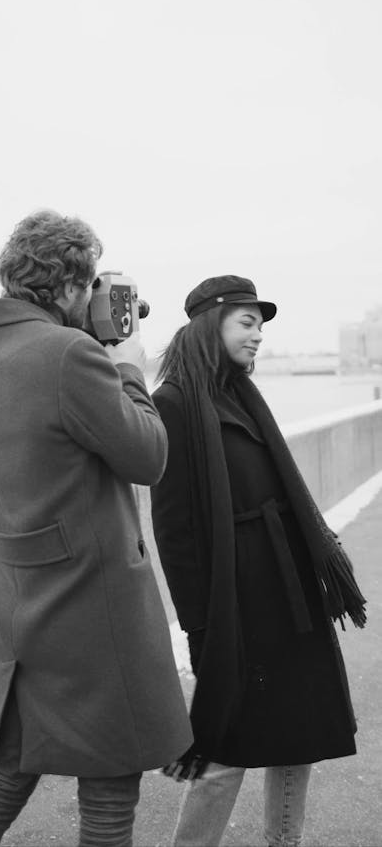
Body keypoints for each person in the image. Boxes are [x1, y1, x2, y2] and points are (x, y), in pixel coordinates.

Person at [0, 209, 193, 847]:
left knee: (6, 780)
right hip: (93, 603)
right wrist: (129, 368)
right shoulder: (68, 354)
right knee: (109, 794)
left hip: (22, 600)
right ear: (72, 287)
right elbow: (148, 457)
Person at [150, 275, 367, 847]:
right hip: (239, 602)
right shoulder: (173, 404)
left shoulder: (241, 396)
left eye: (261, 326)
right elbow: (173, 531)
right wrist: (200, 627)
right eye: (246, 322)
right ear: (209, 325)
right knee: (227, 747)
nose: (258, 336)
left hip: (288, 590)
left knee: (301, 735)